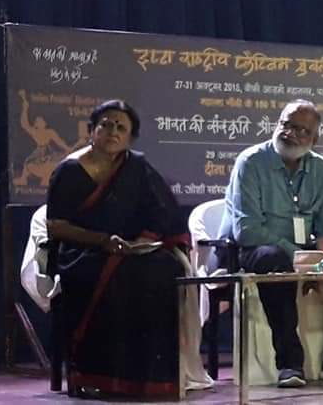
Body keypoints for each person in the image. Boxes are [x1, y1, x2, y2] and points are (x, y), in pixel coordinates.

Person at [46, 100, 212, 398]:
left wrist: (145, 240)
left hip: (131, 249)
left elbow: (163, 212)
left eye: (121, 127)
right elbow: (56, 226)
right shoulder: (69, 170)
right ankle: (104, 377)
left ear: (130, 138)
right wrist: (104, 241)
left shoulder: (137, 167)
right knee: (124, 275)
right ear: (91, 130)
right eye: (106, 124)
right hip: (83, 252)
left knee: (164, 268)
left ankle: (151, 380)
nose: (113, 131)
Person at [218, 99, 323, 387]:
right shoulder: (251, 162)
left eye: (301, 130)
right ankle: (289, 363)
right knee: (274, 258)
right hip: (249, 250)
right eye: (286, 125)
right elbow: (247, 230)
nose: (290, 133)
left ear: (314, 139)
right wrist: (300, 258)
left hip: (303, 250)